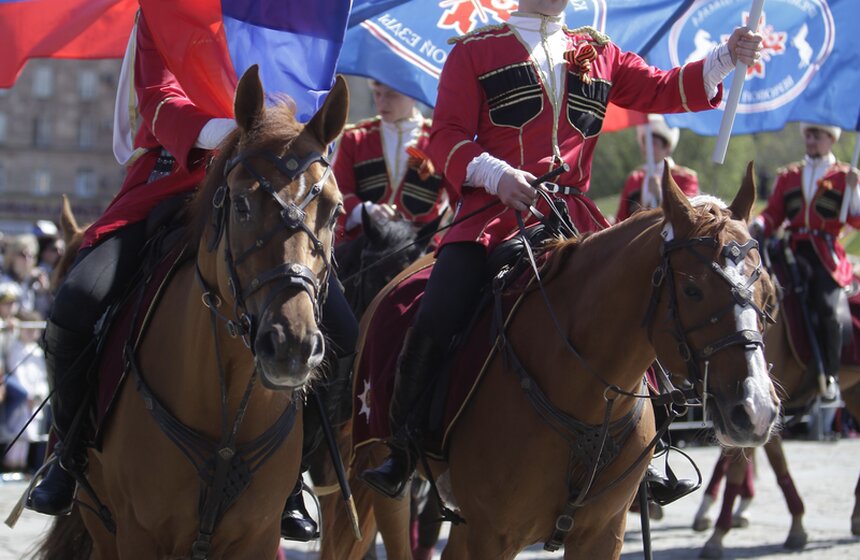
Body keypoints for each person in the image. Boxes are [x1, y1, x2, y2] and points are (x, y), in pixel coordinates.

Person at [360, 0, 763, 501]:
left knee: (644, 302)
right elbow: (445, 138)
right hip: (492, 218)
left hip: (573, 222)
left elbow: (663, 88)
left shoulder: (599, 52)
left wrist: (726, 56)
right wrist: (494, 174)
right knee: (437, 311)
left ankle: (646, 448)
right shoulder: (474, 52)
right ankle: (404, 446)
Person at [25, 10, 358, 543]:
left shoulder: (283, 13)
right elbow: (157, 96)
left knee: (342, 330)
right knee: (77, 302)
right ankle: (68, 454)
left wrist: (292, 144)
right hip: (175, 185)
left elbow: (304, 86)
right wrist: (226, 131)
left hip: (271, 190)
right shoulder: (167, 11)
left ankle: (293, 474)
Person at [751, 122, 860, 402]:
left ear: (831, 139)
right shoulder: (789, 176)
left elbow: (855, 219)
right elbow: (774, 212)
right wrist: (760, 224)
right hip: (791, 249)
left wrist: (854, 191)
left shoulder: (843, 176)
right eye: (809, 135)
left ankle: (831, 376)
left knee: (828, 307)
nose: (811, 140)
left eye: (818, 135)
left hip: (824, 255)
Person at [333, 79, 449, 242]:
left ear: (413, 95)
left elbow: (455, 198)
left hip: (419, 248)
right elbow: (337, 190)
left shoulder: (439, 141)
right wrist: (365, 211)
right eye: (377, 94)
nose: (382, 102)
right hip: (363, 247)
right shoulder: (355, 138)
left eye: (391, 95)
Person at [616, 114, 699, 222]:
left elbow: (687, 215)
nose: (648, 147)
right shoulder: (634, 179)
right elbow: (620, 219)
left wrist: (660, 193)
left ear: (666, 147)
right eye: (645, 142)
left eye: (654, 143)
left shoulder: (685, 178)